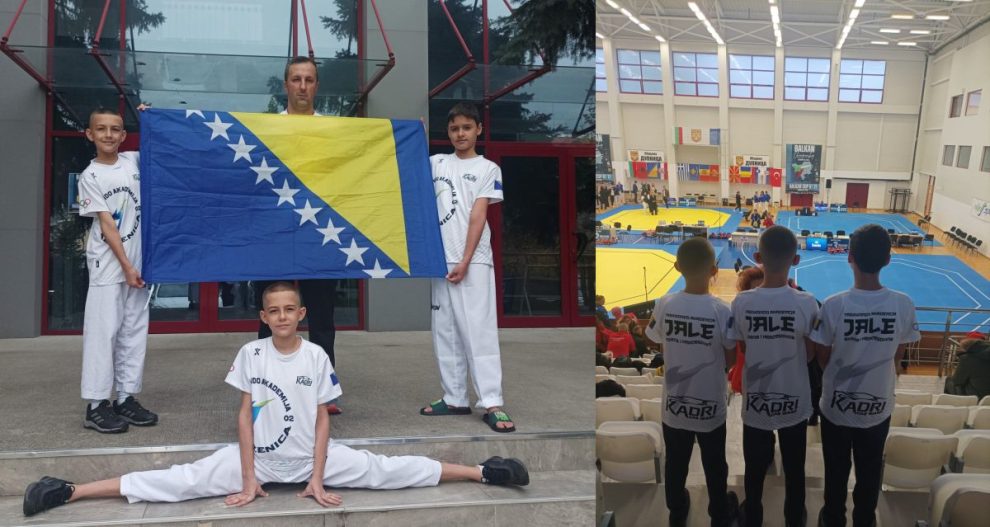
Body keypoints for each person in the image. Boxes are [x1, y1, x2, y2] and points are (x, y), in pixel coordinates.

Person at [22, 282, 529, 518]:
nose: (283, 316)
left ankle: (484, 472)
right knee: (178, 481)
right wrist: (248, 477)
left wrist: (317, 476)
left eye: (290, 309)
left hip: (312, 459)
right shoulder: (251, 353)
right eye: (274, 311)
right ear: (263, 317)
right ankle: (70, 490)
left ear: (301, 314)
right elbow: (245, 417)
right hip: (259, 462)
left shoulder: (316, 356)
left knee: (388, 469)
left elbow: (323, 420)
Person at [811, 224, 920, 527]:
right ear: (888, 259)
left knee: (835, 471)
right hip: (878, 407)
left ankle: (833, 518)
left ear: (849, 257)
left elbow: (822, 356)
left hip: (836, 407)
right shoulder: (903, 304)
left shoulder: (833, 305)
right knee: (870, 472)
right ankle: (864, 520)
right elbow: (898, 355)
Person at [252, 56, 342, 415]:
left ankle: (324, 392)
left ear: (316, 85)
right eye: (296, 79)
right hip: (274, 232)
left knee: (321, 317)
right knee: (271, 312)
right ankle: (265, 386)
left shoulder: (334, 132)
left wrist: (404, 135)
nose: (302, 86)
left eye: (309, 79)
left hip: (319, 232)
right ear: (285, 85)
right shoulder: (266, 129)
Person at [421, 102, 515, 433]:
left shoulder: (488, 168)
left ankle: (491, 402)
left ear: (478, 129)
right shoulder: (436, 162)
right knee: (445, 331)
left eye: (466, 127)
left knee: (478, 331)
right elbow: (408, 168)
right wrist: (416, 135)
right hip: (439, 259)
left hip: (472, 260)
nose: (460, 134)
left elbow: (478, 215)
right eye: (454, 128)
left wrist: (464, 259)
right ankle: (454, 397)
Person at [645, 237, 740, 527]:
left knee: (676, 462)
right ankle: (719, 514)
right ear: (714, 270)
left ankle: (676, 511)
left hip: (674, 404)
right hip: (710, 404)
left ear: (677, 267)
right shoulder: (722, 311)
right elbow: (730, 359)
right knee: (715, 463)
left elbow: (652, 339)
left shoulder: (664, 303)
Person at [729, 226, 819, 527]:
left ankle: (753, 515)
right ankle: (794, 517)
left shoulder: (742, 303)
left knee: (755, 469)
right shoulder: (807, 302)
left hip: (757, 401)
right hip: (795, 400)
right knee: (794, 469)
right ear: (796, 260)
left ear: (757, 258)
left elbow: (743, 347)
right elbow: (810, 355)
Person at [76, 108, 157, 434]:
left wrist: (148, 118)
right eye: (101, 129)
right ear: (90, 134)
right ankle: (96, 405)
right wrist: (126, 266)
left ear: (123, 135)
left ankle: (125, 398)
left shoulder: (132, 162)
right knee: (104, 333)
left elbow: (159, 146)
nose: (108, 135)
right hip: (110, 265)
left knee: (133, 331)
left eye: (115, 129)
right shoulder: (90, 176)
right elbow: (108, 225)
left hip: (137, 265)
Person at [945, 334, 990, 400]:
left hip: (976, 397)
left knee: (949, 380)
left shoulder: (967, 358)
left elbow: (957, 381)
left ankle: (952, 404)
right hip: (987, 398)